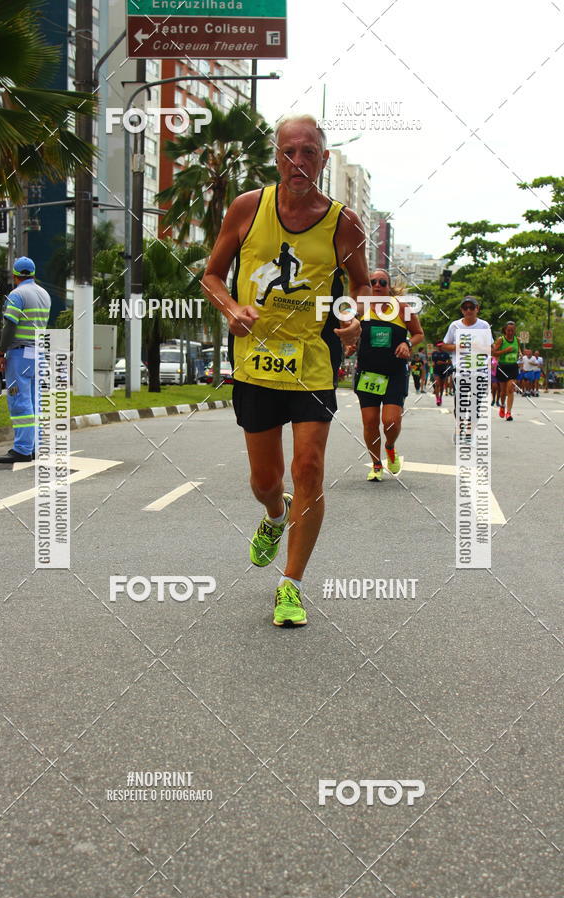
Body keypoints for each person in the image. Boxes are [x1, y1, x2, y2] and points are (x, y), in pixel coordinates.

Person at [202, 114, 366, 627]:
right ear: (276, 157)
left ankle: (291, 584)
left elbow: (361, 288)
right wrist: (232, 309)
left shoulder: (344, 222)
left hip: (313, 363)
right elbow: (211, 276)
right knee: (265, 480)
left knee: (309, 468)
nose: (298, 162)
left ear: (323, 158)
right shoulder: (247, 208)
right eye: (289, 152)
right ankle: (275, 514)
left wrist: (353, 320)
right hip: (255, 364)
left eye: (309, 152)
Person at [354, 269, 424, 481]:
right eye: (373, 282)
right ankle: (376, 464)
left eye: (382, 282)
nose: (377, 285)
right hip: (368, 373)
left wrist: (407, 343)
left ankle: (390, 447)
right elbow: (351, 333)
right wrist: (349, 344)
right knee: (370, 422)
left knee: (391, 422)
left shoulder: (402, 308)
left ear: (389, 287)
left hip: (394, 372)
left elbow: (418, 333)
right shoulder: (361, 308)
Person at [0, 257, 51, 464]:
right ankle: (34, 446)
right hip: (39, 354)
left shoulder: (17, 295)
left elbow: (10, 326)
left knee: (19, 401)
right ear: (33, 274)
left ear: (15, 275)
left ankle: (22, 449)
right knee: (35, 402)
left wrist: (1, 353)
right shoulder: (44, 294)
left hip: (20, 354)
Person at [438, 296, 493, 442]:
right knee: (460, 403)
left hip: (480, 370)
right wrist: (458, 347)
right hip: (461, 370)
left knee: (475, 404)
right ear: (462, 310)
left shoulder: (484, 326)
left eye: (471, 307)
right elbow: (444, 345)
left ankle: (469, 432)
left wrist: (478, 347)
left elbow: (491, 348)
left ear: (477, 309)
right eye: (465, 308)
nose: (468, 310)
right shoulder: (455, 326)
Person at [493, 321, 520, 421]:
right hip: (502, 367)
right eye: (508, 330)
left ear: (515, 330)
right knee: (503, 392)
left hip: (513, 367)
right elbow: (494, 353)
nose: (510, 332)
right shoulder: (501, 340)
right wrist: (506, 351)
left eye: (512, 330)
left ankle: (508, 413)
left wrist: (520, 355)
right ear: (505, 330)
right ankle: (502, 405)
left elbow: (518, 351)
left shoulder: (517, 340)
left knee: (510, 389)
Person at [432, 341, 452, 406]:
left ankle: (440, 397)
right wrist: (433, 364)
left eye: (441, 346)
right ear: (437, 346)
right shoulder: (434, 353)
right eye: (439, 346)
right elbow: (432, 362)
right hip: (436, 371)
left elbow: (450, 363)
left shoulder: (446, 354)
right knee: (437, 384)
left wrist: (443, 363)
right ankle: (437, 399)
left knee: (441, 385)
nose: (440, 347)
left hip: (444, 371)